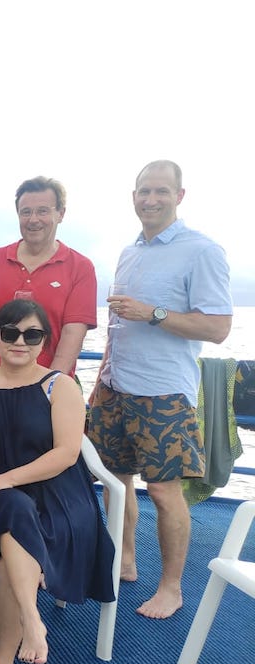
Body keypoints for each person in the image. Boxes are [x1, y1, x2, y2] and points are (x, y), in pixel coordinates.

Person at [0, 300, 115, 664]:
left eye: (32, 334)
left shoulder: (60, 386)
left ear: (45, 341)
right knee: (13, 510)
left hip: (59, 493)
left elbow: (65, 454)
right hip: (1, 493)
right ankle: (31, 618)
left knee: (14, 527)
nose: (20, 342)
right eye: (10, 333)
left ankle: (5, 657)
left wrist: (4, 478)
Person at [88, 160, 232, 620]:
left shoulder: (202, 251)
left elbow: (218, 327)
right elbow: (117, 324)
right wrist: (101, 380)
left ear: (179, 196)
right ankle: (125, 560)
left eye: (160, 191)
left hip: (164, 393)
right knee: (116, 481)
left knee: (166, 491)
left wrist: (153, 313)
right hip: (115, 386)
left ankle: (171, 587)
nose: (150, 200)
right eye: (143, 191)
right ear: (133, 196)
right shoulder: (130, 251)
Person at [0, 177, 97, 375]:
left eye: (42, 211)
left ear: (60, 213)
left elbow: (73, 333)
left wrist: (49, 387)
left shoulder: (80, 267)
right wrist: (12, 316)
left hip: (45, 387)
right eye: (26, 212)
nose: (33, 219)